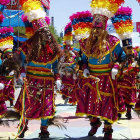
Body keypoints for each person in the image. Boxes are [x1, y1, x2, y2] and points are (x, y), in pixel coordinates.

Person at [70, 0, 125, 139]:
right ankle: (94, 124)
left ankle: (107, 130)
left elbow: (122, 57)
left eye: (98, 29)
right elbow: (82, 60)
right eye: (94, 28)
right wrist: (84, 68)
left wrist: (116, 68)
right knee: (88, 103)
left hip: (107, 78)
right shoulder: (85, 42)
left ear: (104, 28)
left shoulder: (113, 41)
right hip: (91, 79)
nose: (95, 31)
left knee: (107, 105)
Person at [14, 0, 62, 139]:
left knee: (46, 106)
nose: (46, 36)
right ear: (37, 33)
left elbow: (56, 66)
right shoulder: (27, 46)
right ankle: (23, 126)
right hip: (31, 80)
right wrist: (21, 71)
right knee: (27, 104)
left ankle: (44, 129)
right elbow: (20, 62)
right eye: (42, 33)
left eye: (47, 33)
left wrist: (58, 78)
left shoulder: (53, 48)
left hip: (47, 81)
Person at [111, 6, 139, 119]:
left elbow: (138, 66)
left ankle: (128, 111)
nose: (128, 49)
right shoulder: (120, 53)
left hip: (131, 80)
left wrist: (135, 66)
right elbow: (116, 62)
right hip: (121, 79)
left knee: (130, 97)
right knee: (120, 95)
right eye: (126, 47)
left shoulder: (135, 54)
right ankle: (118, 111)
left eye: (129, 47)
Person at [59, 22, 79, 105]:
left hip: (73, 75)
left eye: (68, 50)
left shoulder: (74, 55)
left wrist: (75, 72)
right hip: (65, 75)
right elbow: (60, 65)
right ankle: (66, 98)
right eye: (66, 50)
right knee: (65, 87)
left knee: (73, 87)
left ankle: (73, 100)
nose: (67, 52)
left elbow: (77, 64)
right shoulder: (62, 56)